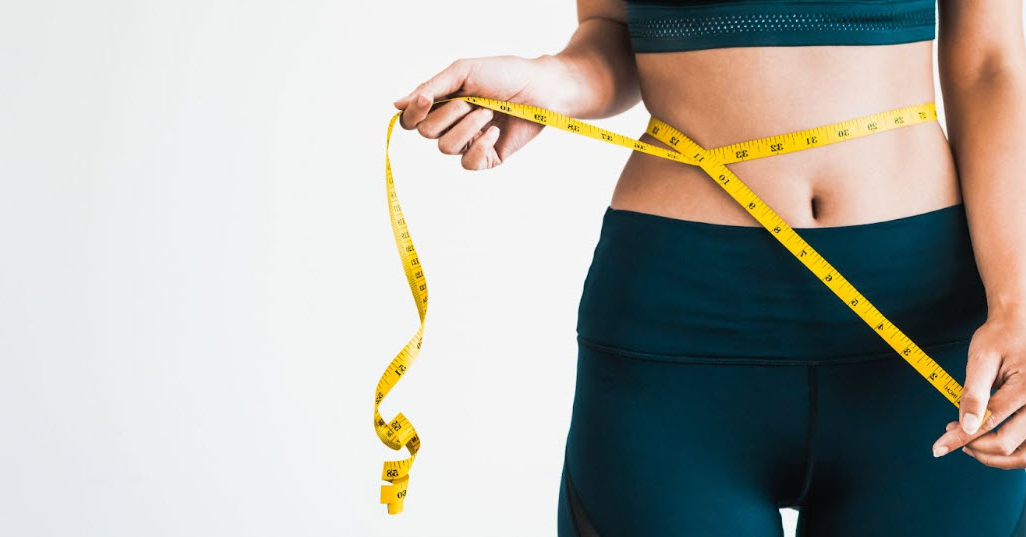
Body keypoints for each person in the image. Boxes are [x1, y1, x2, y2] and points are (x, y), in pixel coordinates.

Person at [391, 0, 1026, 534]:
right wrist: (550, 82)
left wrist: (1016, 304)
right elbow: (612, 31)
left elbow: (993, 64)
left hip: (932, 327)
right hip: (678, 332)